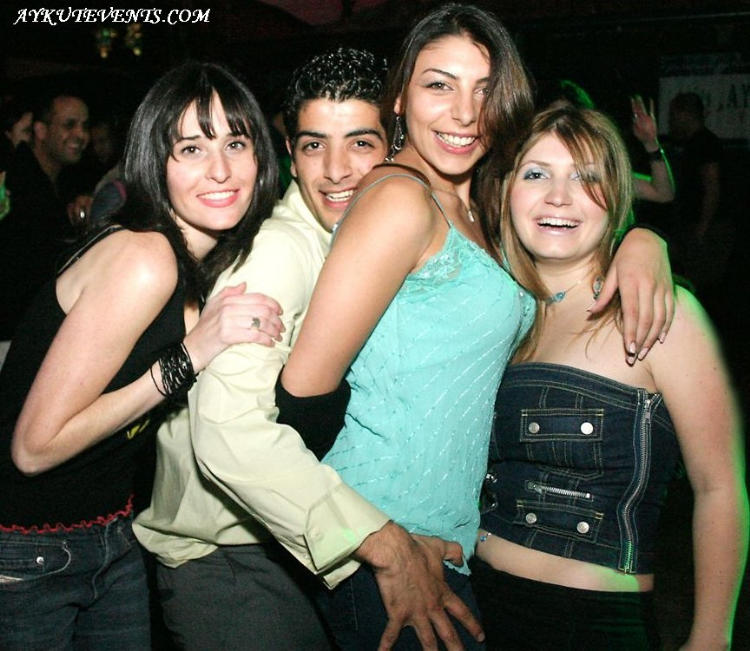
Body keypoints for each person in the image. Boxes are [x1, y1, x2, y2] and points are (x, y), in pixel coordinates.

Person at [279, 5, 675, 649]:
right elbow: (301, 399)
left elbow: (572, 241)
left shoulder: (475, 204)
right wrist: (373, 541)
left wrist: (643, 241)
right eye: (440, 84)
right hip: (387, 548)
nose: (465, 112)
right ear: (400, 97)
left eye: (484, 91)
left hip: (448, 540)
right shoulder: (399, 199)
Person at [134, 47, 482, 651]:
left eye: (361, 143)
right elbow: (228, 432)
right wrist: (384, 542)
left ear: (394, 147)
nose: (337, 170)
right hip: (233, 563)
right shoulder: (283, 250)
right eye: (315, 145)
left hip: (290, 550)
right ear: (291, 157)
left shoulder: (361, 237)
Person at [0, 62, 284, 650]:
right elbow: (33, 448)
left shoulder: (195, 263)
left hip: (109, 533)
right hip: (26, 549)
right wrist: (189, 356)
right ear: (157, 163)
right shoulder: (144, 258)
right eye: (192, 148)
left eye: (236, 143)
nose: (221, 169)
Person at [474, 103, 748, 649]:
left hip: (591, 628)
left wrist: (710, 637)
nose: (558, 196)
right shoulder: (498, 312)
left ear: (615, 196)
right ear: (506, 191)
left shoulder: (660, 312)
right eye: (536, 174)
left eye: (586, 177)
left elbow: (720, 487)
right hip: (476, 609)